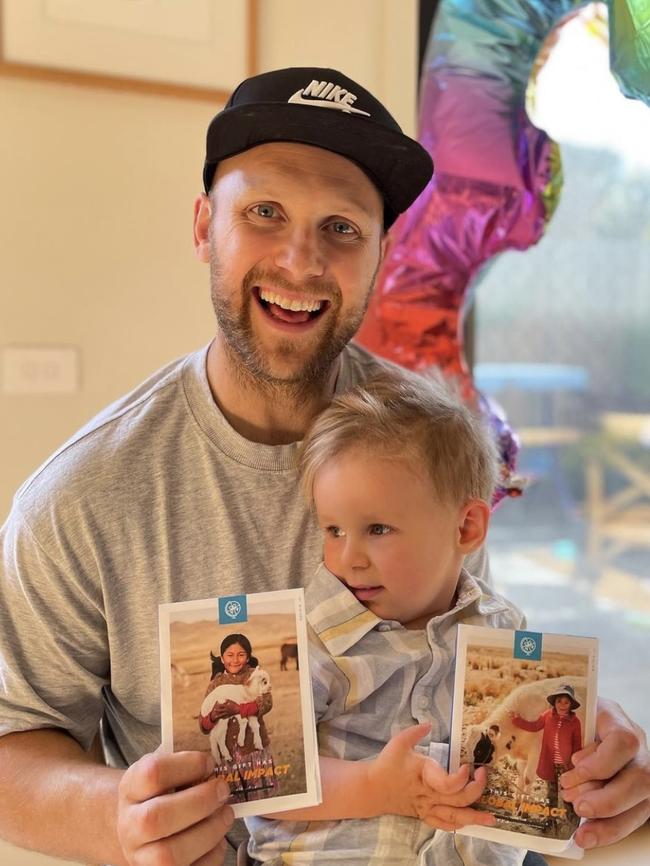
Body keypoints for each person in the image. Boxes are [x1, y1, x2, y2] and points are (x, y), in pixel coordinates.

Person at [0, 66, 647, 866]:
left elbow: (467, 652)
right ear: (205, 227)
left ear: (381, 253)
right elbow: (11, 740)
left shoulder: (434, 444)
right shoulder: (81, 497)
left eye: (341, 228)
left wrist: (595, 760)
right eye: (264, 213)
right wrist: (121, 819)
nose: (302, 261)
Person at [245, 369, 527, 865]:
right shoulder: (306, 636)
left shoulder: (502, 631)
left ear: (466, 528)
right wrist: (376, 787)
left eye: (377, 528)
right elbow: (262, 775)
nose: (348, 558)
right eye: (333, 529)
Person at [199, 634, 278, 803]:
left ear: (248, 657)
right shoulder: (215, 684)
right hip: (228, 756)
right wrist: (212, 715)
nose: (235, 660)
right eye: (230, 655)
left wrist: (238, 709)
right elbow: (204, 725)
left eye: (241, 655)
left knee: (261, 801)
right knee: (232, 803)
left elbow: (266, 703)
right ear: (222, 657)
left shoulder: (255, 676)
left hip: (253, 751)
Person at [510, 685, 583, 815]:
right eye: (559, 701)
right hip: (550, 762)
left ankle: (569, 817)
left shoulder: (575, 721)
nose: (562, 705)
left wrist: (576, 762)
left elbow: (577, 743)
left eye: (566, 702)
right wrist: (516, 720)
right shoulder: (547, 715)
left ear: (571, 704)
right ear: (554, 702)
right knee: (551, 791)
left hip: (565, 764)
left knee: (567, 790)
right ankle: (551, 819)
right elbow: (535, 726)